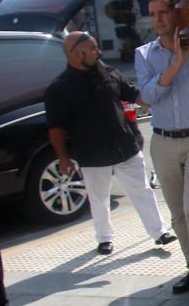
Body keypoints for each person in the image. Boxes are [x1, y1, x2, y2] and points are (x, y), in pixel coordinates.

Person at [44, 31, 175, 255]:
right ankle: (104, 238)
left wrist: (164, 101)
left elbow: (136, 95)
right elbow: (55, 128)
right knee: (98, 198)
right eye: (93, 48)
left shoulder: (109, 73)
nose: (99, 52)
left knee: (142, 189)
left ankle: (159, 231)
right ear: (76, 53)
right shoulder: (59, 88)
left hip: (125, 145)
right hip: (92, 154)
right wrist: (64, 158)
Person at [135, 0, 189, 305]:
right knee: (177, 213)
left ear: (176, 15)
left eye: (163, 13)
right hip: (162, 140)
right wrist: (178, 61)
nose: (157, 20)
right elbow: (148, 96)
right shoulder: (144, 54)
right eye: (153, 14)